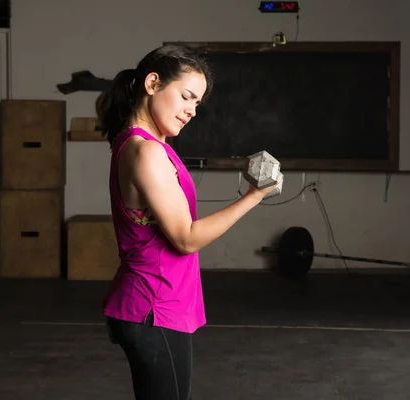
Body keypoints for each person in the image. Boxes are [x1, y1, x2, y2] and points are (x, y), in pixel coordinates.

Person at [98, 43, 281, 400]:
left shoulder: (145, 144)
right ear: (152, 84)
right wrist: (253, 196)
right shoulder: (146, 151)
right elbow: (185, 238)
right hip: (153, 306)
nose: (192, 111)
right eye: (186, 96)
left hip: (155, 304)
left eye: (197, 103)